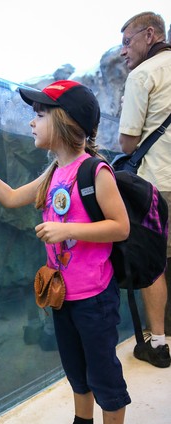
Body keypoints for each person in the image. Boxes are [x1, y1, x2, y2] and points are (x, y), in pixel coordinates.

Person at [0, 79, 132, 424]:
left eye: (39, 115)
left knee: (102, 368)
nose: (32, 123)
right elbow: (13, 197)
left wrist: (66, 228)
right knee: (75, 364)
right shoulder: (54, 172)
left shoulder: (95, 171)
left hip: (95, 295)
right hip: (62, 294)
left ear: (65, 121)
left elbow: (120, 227)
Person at [119, 11, 171, 368]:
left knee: (155, 262)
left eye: (127, 42)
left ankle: (158, 342)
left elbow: (127, 143)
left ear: (149, 34)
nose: (123, 51)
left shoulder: (143, 74)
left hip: (158, 184)